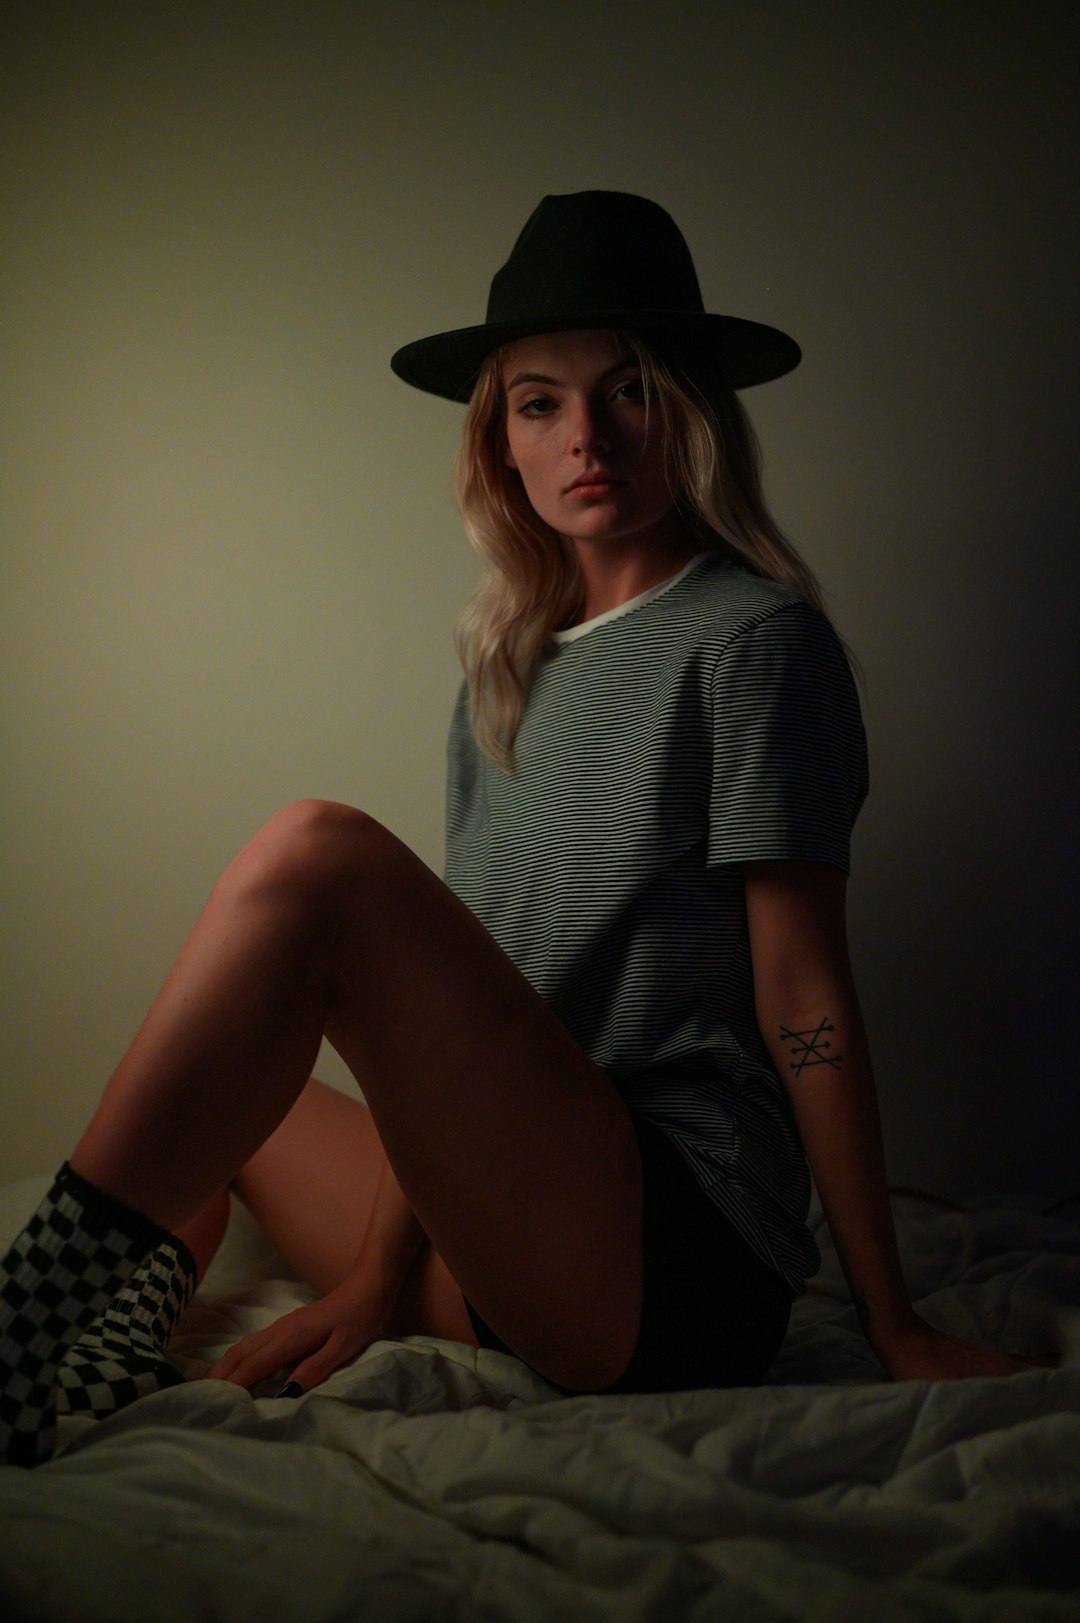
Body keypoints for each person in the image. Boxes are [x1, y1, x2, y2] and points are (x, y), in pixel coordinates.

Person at [0, 191, 1048, 1470]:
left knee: (313, 852)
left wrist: (894, 1321)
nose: (585, 436)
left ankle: (14, 1333)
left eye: (630, 391)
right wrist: (374, 1285)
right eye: (539, 402)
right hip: (531, 1239)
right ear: (498, 441)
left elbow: (802, 989)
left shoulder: (756, 640)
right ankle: (108, 1340)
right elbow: (464, 1039)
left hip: (673, 1252)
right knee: (242, 1100)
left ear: (694, 414)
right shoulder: (507, 671)